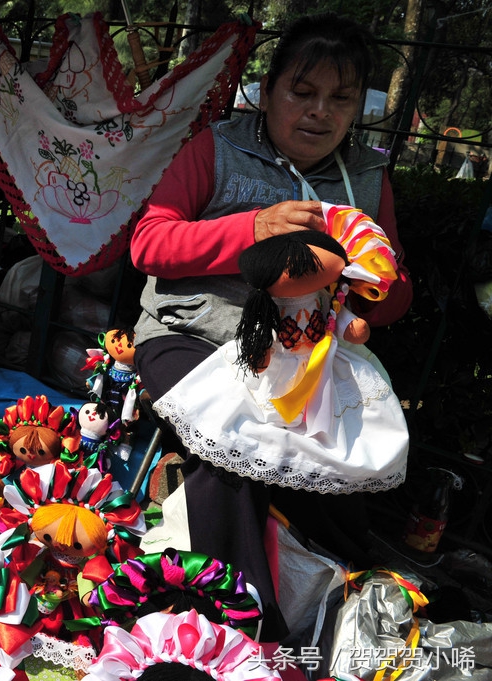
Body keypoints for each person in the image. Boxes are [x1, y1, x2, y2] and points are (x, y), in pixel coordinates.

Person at [129, 14, 413, 640]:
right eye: (301, 92)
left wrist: (363, 301)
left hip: (307, 356)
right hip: (193, 336)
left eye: (340, 99)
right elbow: (148, 242)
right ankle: (241, 622)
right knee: (242, 445)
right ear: (269, 89)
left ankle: (324, 605)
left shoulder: (365, 177)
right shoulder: (217, 147)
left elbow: (392, 290)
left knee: (338, 464)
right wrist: (250, 230)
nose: (319, 113)